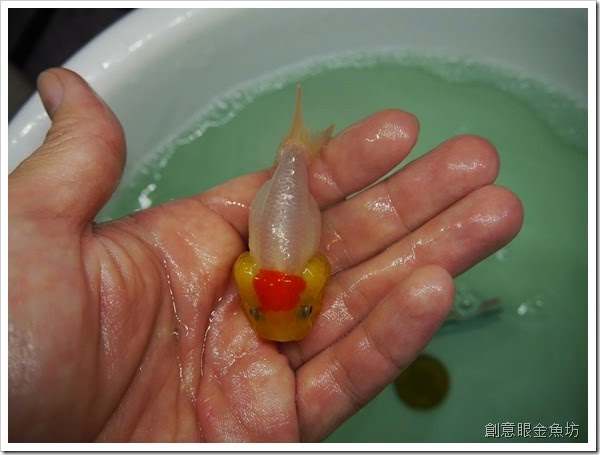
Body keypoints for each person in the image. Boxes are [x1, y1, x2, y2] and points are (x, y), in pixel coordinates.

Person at [8, 68, 523, 442]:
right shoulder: (274, 274)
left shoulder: (274, 273)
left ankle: (296, 148)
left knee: (295, 167)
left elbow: (269, 265)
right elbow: (271, 266)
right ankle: (297, 147)